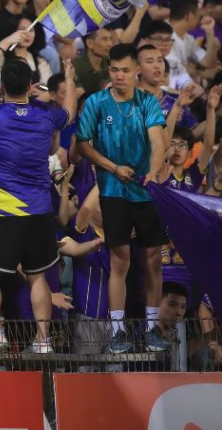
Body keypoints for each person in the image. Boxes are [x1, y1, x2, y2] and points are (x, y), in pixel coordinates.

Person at [0, 58, 75, 352]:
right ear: (30, 85)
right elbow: (70, 113)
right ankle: (42, 341)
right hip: (40, 210)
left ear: (1, 86)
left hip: (2, 210)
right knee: (38, 275)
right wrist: (70, 79)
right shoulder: (47, 114)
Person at [76, 43, 170, 353]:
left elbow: (158, 142)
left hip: (146, 191)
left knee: (153, 260)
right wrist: (113, 168)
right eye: (114, 70)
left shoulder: (147, 103)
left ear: (136, 71)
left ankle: (153, 328)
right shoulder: (96, 103)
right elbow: (82, 146)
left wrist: (154, 172)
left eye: (125, 70)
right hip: (113, 191)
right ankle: (118, 332)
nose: (119, 75)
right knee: (120, 261)